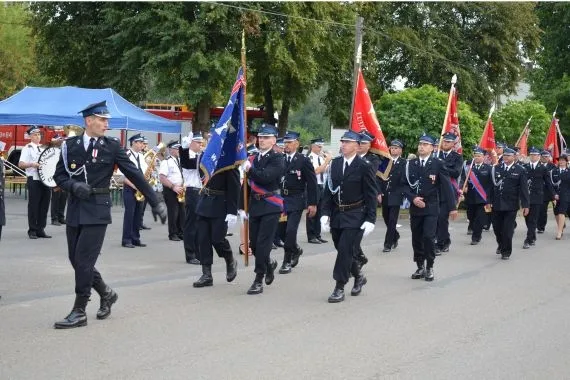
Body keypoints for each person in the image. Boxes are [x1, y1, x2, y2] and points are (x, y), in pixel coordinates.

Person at [53, 100, 166, 329]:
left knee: (84, 261)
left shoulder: (112, 146)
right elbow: (59, 176)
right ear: (89, 121)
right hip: (75, 207)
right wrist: (73, 187)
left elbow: (134, 174)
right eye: (103, 120)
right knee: (76, 260)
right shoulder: (70, 145)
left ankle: (79, 310)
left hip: (97, 209)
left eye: (107, 120)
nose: (107, 124)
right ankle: (107, 293)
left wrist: (155, 201)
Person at [320, 130, 377, 303]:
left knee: (345, 249)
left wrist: (370, 219)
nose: (343, 144)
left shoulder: (364, 166)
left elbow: (371, 193)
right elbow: (328, 191)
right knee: (341, 247)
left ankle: (339, 286)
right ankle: (359, 275)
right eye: (342, 141)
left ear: (357, 146)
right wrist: (324, 213)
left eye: (348, 142)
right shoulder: (335, 164)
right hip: (338, 213)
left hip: (356, 214)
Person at [403, 133, 457, 281]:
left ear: (432, 148)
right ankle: (420, 265)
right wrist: (413, 198)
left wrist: (452, 207)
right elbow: (403, 185)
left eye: (425, 144)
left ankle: (430, 266)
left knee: (428, 237)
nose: (421, 147)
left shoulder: (437, 164)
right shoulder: (411, 164)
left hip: (432, 207)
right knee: (417, 238)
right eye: (420, 144)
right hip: (415, 207)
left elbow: (447, 186)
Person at [239, 124, 285, 295]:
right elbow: (246, 186)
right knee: (255, 245)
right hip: (255, 206)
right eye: (260, 137)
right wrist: (241, 207)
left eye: (266, 137)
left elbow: (265, 178)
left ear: (273, 140)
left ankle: (258, 278)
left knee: (263, 243)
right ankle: (269, 264)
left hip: (271, 205)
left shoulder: (278, 158)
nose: (262, 140)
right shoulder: (253, 158)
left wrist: (250, 171)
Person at [192, 145, 240, 288]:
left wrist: (232, 212)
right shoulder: (206, 159)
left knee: (217, 239)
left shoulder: (229, 164)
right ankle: (207, 274)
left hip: (221, 205)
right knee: (203, 240)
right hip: (205, 202)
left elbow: (235, 188)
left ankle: (230, 259)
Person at [278, 131, 318, 274]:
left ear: (297, 144)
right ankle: (295, 249)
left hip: (296, 200)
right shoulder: (280, 158)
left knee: (290, 231)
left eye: (289, 142)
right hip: (281, 201)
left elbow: (312, 183)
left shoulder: (303, 160)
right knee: (281, 233)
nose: (286, 145)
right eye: (285, 142)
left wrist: (312, 203)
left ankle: (287, 261)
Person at [490, 147, 530, 260]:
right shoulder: (496, 168)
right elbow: (490, 187)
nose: (506, 157)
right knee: (497, 228)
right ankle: (501, 244)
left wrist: (526, 205)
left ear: (514, 157)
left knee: (507, 230)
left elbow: (524, 189)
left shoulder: (520, 170)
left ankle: (506, 251)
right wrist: (488, 201)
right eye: (505, 155)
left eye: (508, 155)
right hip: (497, 203)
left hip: (511, 204)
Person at [18, 126, 52, 239]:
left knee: (44, 205)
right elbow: (21, 164)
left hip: (45, 180)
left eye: (39, 134)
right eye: (35, 135)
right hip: (34, 179)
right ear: (30, 136)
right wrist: (32, 164)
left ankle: (41, 229)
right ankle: (32, 230)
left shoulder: (43, 148)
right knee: (34, 205)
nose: (38, 136)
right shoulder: (27, 148)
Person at [435, 132, 463, 254]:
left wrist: (441, 166)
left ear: (453, 144)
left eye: (448, 141)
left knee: (442, 218)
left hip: (448, 190)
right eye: (444, 141)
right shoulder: (435, 154)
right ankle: (444, 240)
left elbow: (456, 172)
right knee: (435, 218)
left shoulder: (457, 157)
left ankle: (440, 243)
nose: (445, 143)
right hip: (435, 190)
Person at [522, 147, 555, 248]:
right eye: (531, 155)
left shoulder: (543, 168)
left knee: (533, 219)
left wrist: (553, 195)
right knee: (527, 218)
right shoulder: (525, 167)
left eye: (535, 155)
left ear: (539, 156)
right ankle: (532, 236)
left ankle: (528, 239)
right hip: (526, 196)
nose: (533, 156)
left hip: (537, 196)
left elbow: (548, 183)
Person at [119, 133, 148, 248]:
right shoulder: (126, 155)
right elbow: (121, 176)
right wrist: (135, 186)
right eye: (140, 142)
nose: (142, 145)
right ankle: (126, 240)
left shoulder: (141, 156)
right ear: (134, 143)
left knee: (138, 214)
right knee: (129, 214)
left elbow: (144, 172)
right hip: (130, 188)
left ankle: (136, 238)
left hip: (140, 189)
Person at [179, 132, 203, 265]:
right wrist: (184, 148)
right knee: (191, 224)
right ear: (191, 143)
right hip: (192, 192)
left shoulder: (200, 156)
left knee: (200, 224)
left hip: (202, 191)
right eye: (198, 142)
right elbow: (188, 163)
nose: (201, 145)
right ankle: (190, 254)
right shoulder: (188, 157)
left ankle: (199, 252)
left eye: (201, 142)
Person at [461, 147, 492, 245]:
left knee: (479, 218)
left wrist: (490, 198)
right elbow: (462, 179)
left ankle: (476, 236)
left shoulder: (488, 168)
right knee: (471, 216)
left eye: (479, 156)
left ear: (483, 157)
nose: (477, 158)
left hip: (482, 198)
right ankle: (474, 229)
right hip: (471, 197)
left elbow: (491, 184)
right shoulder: (468, 168)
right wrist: (464, 186)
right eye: (475, 156)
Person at [380, 139, 405, 252]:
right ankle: (395, 235)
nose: (393, 149)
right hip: (385, 194)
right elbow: (379, 178)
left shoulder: (404, 163)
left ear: (400, 150)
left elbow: (405, 179)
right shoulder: (385, 161)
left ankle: (388, 244)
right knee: (386, 218)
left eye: (396, 148)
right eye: (392, 147)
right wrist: (379, 191)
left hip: (396, 194)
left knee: (392, 220)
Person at [306, 137, 331, 244]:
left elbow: (325, 170)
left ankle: (317, 234)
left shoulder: (320, 158)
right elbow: (315, 171)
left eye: (321, 146)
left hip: (322, 186)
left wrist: (329, 163)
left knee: (320, 211)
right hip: (314, 186)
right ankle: (311, 236)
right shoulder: (310, 158)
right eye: (318, 146)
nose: (320, 148)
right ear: (313, 146)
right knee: (312, 211)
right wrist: (326, 161)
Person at [160, 141, 186, 241]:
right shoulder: (166, 161)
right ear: (170, 149)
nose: (179, 150)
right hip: (170, 190)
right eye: (176, 148)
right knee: (173, 213)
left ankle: (181, 232)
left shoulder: (180, 160)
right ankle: (172, 234)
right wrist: (173, 187)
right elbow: (162, 178)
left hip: (181, 189)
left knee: (182, 212)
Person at [50, 133, 68, 226]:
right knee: (56, 198)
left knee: (63, 197)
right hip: (55, 177)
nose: (60, 142)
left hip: (64, 177)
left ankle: (61, 217)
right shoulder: (51, 151)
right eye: (58, 140)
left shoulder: (63, 151)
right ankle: (54, 218)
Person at [551, 154, 570, 240]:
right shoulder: (553, 172)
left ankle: (559, 231)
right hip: (555, 195)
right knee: (556, 213)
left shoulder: (569, 171)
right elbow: (550, 185)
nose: (561, 162)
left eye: (563, 160)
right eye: (560, 160)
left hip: (566, 195)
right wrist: (553, 195)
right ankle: (561, 227)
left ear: (566, 162)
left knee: (561, 212)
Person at [537, 150, 556, 233]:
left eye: (546, 156)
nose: (545, 158)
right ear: (540, 157)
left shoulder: (553, 166)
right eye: (543, 156)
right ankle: (541, 227)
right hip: (542, 191)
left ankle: (561, 222)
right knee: (542, 210)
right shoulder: (537, 166)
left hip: (552, 191)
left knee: (558, 210)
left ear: (549, 157)